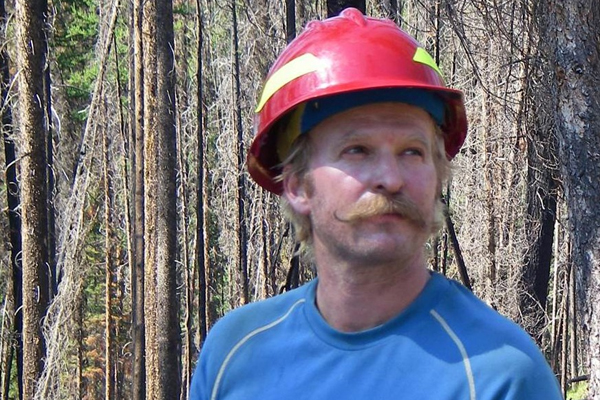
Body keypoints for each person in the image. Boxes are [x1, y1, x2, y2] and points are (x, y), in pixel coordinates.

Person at [189, 8, 562, 400]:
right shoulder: (235, 355)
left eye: (413, 152)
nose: (391, 178)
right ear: (298, 186)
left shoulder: (496, 374)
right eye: (358, 150)